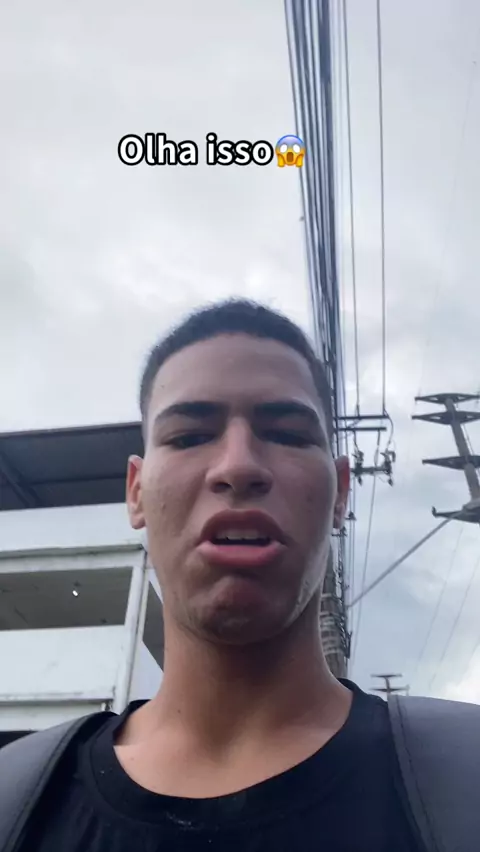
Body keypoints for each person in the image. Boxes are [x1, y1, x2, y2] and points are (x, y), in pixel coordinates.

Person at [19, 299, 426, 851]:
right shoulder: (18, 803)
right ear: (136, 492)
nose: (238, 466)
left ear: (340, 493)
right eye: (189, 437)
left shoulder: (459, 780)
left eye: (287, 433)